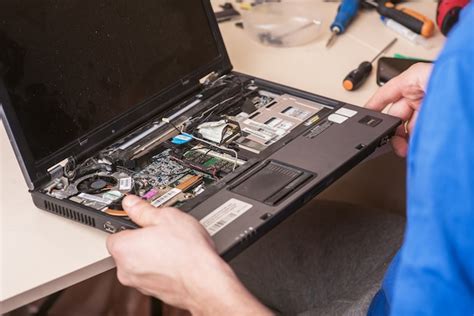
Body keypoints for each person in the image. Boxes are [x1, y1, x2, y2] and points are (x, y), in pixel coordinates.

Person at [106, 3, 474, 315]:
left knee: (213, 247)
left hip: (408, 295)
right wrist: (455, 83)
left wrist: (199, 290)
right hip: (415, 266)